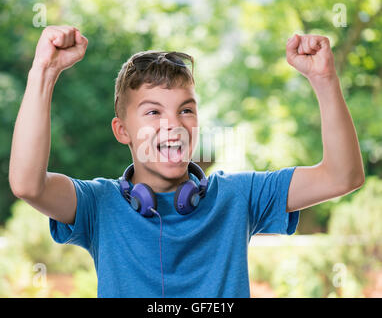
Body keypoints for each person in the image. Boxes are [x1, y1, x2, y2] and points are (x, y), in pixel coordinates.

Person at [9, 26, 365, 298]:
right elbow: (27, 183)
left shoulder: (239, 195)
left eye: (186, 110)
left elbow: (341, 176)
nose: (174, 125)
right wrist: (44, 72)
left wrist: (324, 79)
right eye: (153, 111)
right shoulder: (97, 205)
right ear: (122, 131)